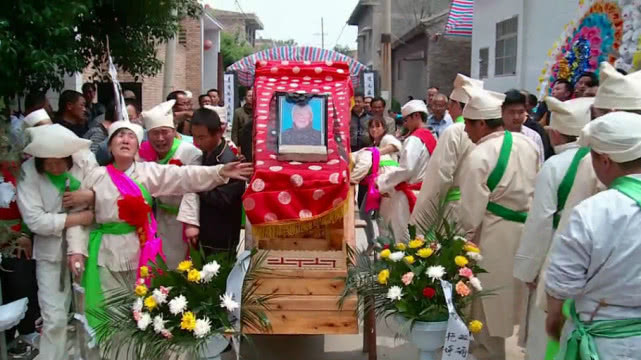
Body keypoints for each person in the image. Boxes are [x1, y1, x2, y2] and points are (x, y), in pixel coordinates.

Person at [65, 120, 252, 359]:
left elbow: (183, 176)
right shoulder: (96, 176)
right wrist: (77, 250)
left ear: (137, 145)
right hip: (105, 252)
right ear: (109, 146)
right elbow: (78, 217)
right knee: (110, 311)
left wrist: (219, 172)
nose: (124, 140)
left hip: (139, 251)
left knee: (140, 309)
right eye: (118, 137)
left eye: (130, 136)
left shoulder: (147, 172)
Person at [545, 112, 641, 358]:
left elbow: (561, 283)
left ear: (605, 161)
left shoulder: (594, 210)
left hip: (604, 341)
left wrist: (554, 318)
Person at [458, 86, 539, 360]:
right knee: (516, 300)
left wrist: (461, 246)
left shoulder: (478, 156)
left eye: (468, 124)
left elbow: (469, 214)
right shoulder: (528, 143)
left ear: (481, 123)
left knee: (486, 307)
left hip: (492, 237)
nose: (465, 130)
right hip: (526, 234)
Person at [513, 96, 594, 360]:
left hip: (558, 253)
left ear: (556, 133)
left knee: (545, 331)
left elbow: (540, 222)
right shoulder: (604, 161)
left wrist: (528, 269)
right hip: (597, 262)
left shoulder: (556, 165)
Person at [16, 124, 97, 360]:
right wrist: (78, 217)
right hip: (49, 253)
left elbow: (103, 193)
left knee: (89, 312)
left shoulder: (84, 160)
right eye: (47, 162)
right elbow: (36, 221)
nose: (53, 166)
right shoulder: (28, 172)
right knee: (54, 318)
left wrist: (89, 198)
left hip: (86, 246)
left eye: (58, 161)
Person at [139, 100, 203, 269]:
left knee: (180, 265)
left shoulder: (189, 153)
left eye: (164, 132)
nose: (160, 138)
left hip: (181, 219)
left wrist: (190, 223)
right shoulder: (144, 153)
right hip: (157, 217)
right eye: (154, 133)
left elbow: (193, 189)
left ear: (174, 132)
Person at [411, 74, 481, 225]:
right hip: (479, 204)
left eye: (450, 104)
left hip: (454, 207)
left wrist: (421, 219)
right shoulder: (484, 130)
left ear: (455, 105)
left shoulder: (454, 131)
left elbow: (440, 176)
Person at [376, 100, 436, 242]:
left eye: (406, 119)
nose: (405, 123)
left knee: (404, 238)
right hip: (426, 193)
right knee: (423, 238)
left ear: (416, 116)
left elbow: (406, 170)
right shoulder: (432, 137)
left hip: (408, 195)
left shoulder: (414, 139)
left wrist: (382, 182)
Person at [191, 108, 245, 254]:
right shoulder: (201, 153)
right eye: (194, 137)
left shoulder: (230, 161)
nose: (197, 142)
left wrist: (194, 184)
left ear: (218, 133)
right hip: (204, 229)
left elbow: (223, 199)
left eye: (202, 137)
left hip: (221, 233)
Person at [351, 116, 404, 247]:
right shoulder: (372, 146)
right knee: (364, 213)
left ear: (384, 128)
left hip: (388, 183)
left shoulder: (386, 139)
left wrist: (375, 153)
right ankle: (372, 243)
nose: (374, 129)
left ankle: (386, 248)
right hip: (375, 185)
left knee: (384, 219)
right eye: (371, 127)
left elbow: (396, 146)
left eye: (377, 126)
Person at [502, 89, 545, 165]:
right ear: (501, 112)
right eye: (511, 112)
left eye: (521, 112)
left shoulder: (533, 136)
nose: (516, 117)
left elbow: (539, 164)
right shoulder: (494, 135)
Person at [231, 88, 253, 153]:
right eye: (249, 96)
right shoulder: (238, 112)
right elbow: (235, 131)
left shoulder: (259, 111)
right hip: (243, 143)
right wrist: (235, 146)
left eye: (253, 95)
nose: (251, 98)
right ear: (245, 98)